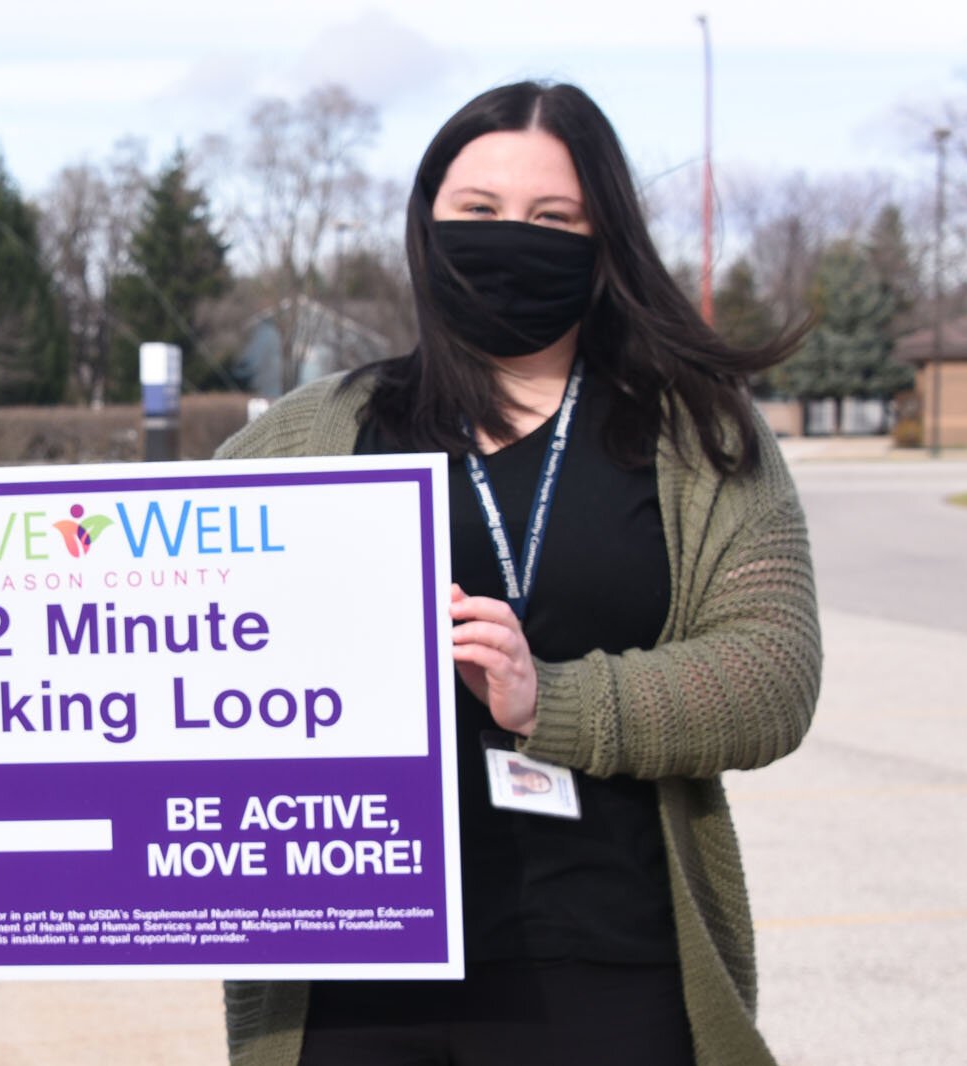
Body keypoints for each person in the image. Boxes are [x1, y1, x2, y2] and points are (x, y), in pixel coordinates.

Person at [212, 81, 821, 1066]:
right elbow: (172, 649)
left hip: (610, 964)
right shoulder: (302, 436)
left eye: (551, 217)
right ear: (427, 226)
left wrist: (550, 697)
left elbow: (772, 675)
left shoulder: (698, 432)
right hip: (353, 984)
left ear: (603, 238)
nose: (510, 239)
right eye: (479, 212)